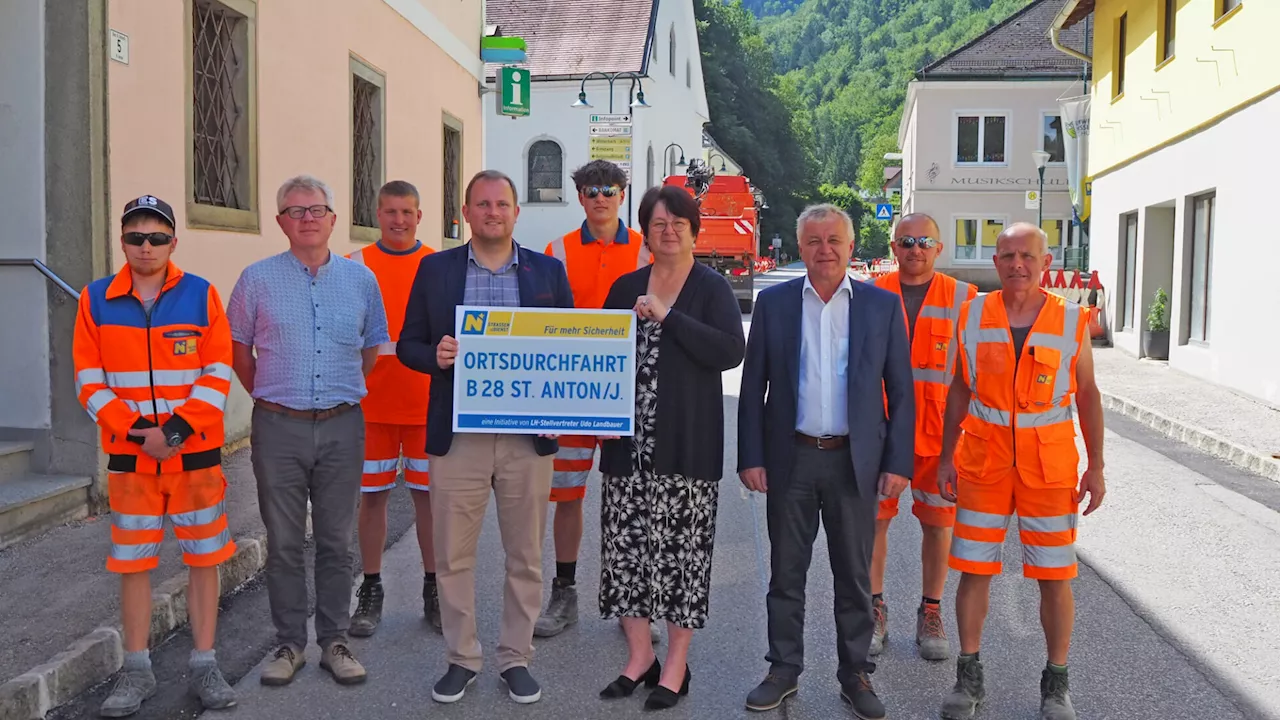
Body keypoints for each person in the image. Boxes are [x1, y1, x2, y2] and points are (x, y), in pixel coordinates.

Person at [396, 170, 574, 706]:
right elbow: (408, 344)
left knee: (525, 553)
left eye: (502, 204)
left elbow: (568, 349)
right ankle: (461, 658)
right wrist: (436, 357)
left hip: (527, 438)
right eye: (482, 204)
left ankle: (516, 658)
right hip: (460, 436)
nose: (492, 212)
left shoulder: (547, 271)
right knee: (453, 555)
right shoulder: (436, 270)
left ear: (517, 212)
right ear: (466, 214)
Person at [738, 204, 914, 720]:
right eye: (814, 241)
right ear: (801, 247)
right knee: (786, 574)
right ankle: (783, 670)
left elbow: (901, 393)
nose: (825, 250)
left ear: (851, 246)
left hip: (854, 463)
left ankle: (855, 674)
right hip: (791, 457)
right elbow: (753, 390)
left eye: (834, 240)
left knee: (854, 576)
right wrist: (752, 455)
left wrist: (897, 462)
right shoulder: (774, 304)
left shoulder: (881, 307)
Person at [73, 195, 237, 716]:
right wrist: (142, 431)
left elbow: (217, 369)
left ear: (173, 241)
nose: (147, 247)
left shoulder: (201, 295)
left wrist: (179, 429)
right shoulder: (95, 299)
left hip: (194, 458)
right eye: (136, 237)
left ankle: (205, 664)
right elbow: (88, 379)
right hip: (132, 460)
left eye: (157, 237)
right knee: (134, 563)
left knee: (204, 560)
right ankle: (136, 670)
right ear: (123, 242)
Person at [936, 223, 1105, 720]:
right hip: (984, 464)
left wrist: (1096, 467)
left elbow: (1089, 396)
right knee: (973, 570)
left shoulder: (1072, 320)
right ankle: (968, 679)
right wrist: (946, 456)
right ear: (995, 262)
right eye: (1007, 255)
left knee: (1055, 577)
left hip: (1048, 468)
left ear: (1045, 262)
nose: (1017, 265)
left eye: (1027, 255)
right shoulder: (971, 315)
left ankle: (1056, 684)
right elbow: (960, 391)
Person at [228, 175, 389, 687]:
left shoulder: (361, 280)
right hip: (279, 426)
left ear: (333, 219)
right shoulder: (255, 279)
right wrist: (272, 397)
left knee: (338, 542)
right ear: (280, 222)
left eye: (317, 209)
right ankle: (288, 643)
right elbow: (239, 351)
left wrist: (340, 393)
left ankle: (334, 641)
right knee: (284, 542)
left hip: (343, 425)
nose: (307, 219)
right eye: (295, 211)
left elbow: (372, 348)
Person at [595, 185, 746, 711]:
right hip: (626, 449)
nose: (669, 230)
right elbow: (596, 356)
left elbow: (731, 350)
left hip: (686, 449)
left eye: (678, 222)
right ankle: (639, 658)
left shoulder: (712, 287)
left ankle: (676, 665)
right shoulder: (624, 287)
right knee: (627, 557)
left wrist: (667, 317)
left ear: (693, 230)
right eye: (658, 223)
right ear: (646, 232)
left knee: (682, 560)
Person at [536, 159, 653, 640]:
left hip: (630, 395)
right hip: (574, 393)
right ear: (579, 196)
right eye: (590, 189)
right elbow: (543, 321)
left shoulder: (647, 249)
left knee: (632, 500)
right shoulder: (557, 250)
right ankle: (564, 592)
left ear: (622, 195)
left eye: (609, 189)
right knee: (566, 495)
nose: (600, 197)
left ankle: (633, 603)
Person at [868, 213, 976, 661]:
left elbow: (977, 373)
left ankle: (930, 610)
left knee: (938, 527)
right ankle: (874, 609)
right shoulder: (871, 296)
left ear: (939, 247)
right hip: (882, 432)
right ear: (893, 248)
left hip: (941, 437)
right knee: (873, 523)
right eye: (906, 241)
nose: (914, 249)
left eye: (924, 241)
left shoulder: (965, 299)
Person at [346, 181, 439, 637]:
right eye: (390, 212)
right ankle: (371, 586)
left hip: (427, 406)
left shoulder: (439, 265)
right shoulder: (355, 265)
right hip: (371, 409)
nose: (399, 220)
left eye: (407, 212)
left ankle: (433, 588)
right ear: (376, 214)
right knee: (373, 500)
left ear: (419, 216)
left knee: (429, 502)